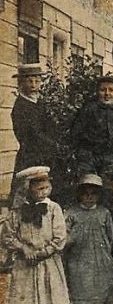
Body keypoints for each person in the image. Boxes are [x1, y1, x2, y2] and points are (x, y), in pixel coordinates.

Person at [2, 167, 70, 304]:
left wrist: (41, 253)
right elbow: (7, 236)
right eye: (38, 189)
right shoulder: (17, 211)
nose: (43, 192)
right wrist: (24, 249)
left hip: (48, 263)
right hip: (26, 265)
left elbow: (59, 238)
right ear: (28, 189)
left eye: (46, 187)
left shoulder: (53, 209)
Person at [63, 174, 113, 304]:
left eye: (93, 193)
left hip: (100, 261)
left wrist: (107, 257)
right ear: (79, 194)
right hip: (79, 261)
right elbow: (64, 238)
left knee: (101, 298)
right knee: (80, 298)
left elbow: (110, 238)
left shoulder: (104, 213)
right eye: (85, 193)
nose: (89, 197)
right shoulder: (71, 214)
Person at [70, 74, 113, 178]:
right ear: (97, 92)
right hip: (88, 157)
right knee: (88, 182)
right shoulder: (89, 109)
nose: (107, 94)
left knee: (109, 185)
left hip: (111, 157)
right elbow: (76, 134)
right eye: (103, 90)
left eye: (111, 90)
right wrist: (81, 154)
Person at [8, 65, 57, 204]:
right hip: (30, 155)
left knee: (45, 193)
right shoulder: (21, 107)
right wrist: (51, 144)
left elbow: (51, 126)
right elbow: (29, 135)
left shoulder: (39, 103)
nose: (33, 85)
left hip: (45, 154)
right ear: (21, 83)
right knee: (27, 193)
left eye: (37, 81)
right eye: (29, 81)